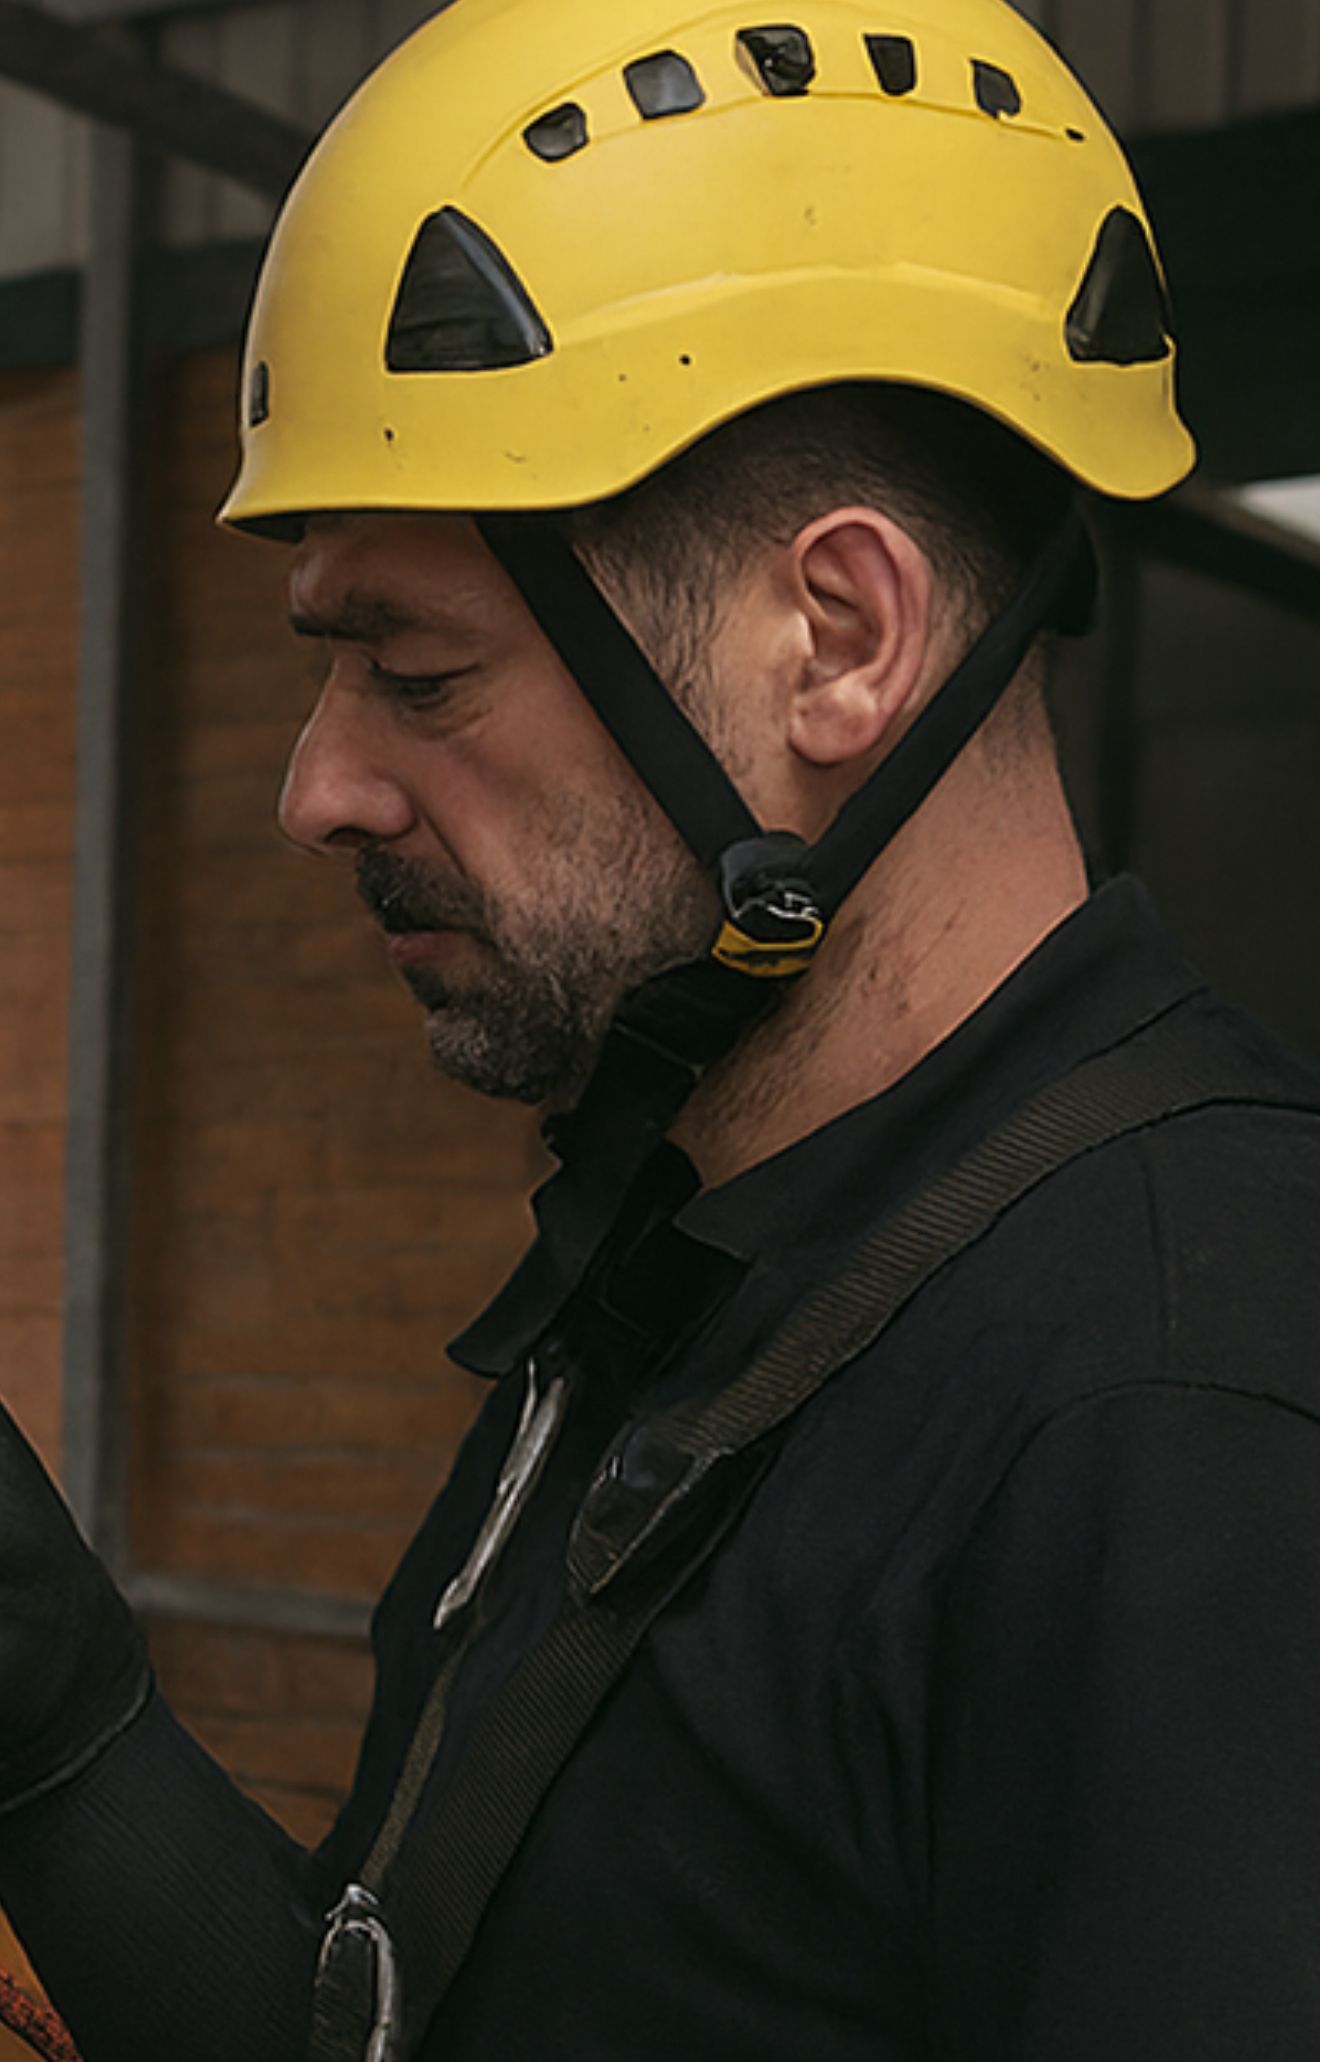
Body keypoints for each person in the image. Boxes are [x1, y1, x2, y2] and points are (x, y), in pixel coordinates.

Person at [3, 0, 1320, 2057]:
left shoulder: (1183, 1412)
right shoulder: (688, 1272)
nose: (315, 789)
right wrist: (59, 1717)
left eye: (416, 673)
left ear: (840, 642)